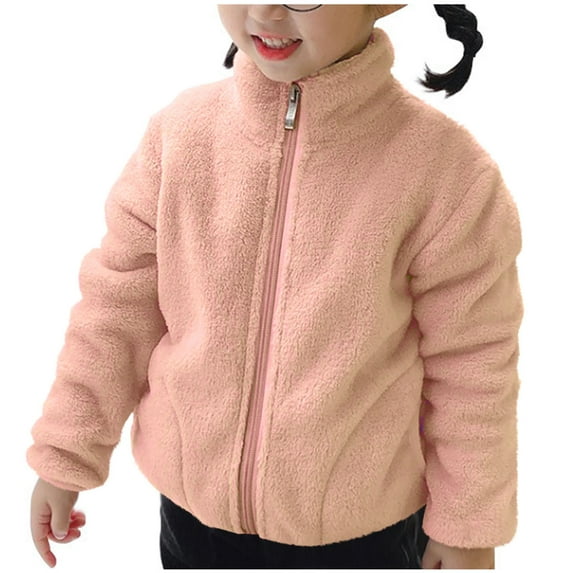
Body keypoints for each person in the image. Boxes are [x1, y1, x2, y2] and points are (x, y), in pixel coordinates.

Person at [27, 4, 522, 570]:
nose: (264, 11)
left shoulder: (446, 174)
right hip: (194, 522)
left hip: (361, 535)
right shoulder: (179, 137)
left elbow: (473, 363)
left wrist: (465, 525)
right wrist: (65, 454)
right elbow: (115, 311)